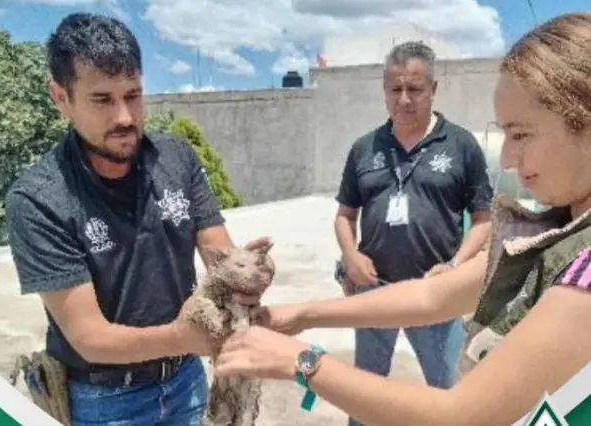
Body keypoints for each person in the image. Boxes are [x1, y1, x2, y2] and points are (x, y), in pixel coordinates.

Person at [212, 12, 591, 426]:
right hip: (380, 284)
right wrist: (304, 313)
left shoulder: (583, 277)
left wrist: (303, 363)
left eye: (520, 134)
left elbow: (459, 415)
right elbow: (432, 298)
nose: (507, 159)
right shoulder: (557, 235)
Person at [5, 12, 273, 426]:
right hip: (105, 402)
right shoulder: (39, 200)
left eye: (133, 94)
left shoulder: (175, 158)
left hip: (186, 381)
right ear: (61, 98)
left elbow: (219, 254)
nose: (125, 116)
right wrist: (181, 337)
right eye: (103, 99)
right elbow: (89, 338)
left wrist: (247, 272)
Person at [332, 40, 493, 410]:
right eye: (395, 89)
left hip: (435, 295)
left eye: (415, 89)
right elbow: (345, 215)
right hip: (375, 292)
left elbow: (484, 221)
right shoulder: (364, 148)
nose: (404, 99)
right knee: (365, 397)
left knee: (452, 397)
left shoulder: (461, 145)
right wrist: (350, 254)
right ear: (384, 90)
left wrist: (453, 269)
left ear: (433, 90)